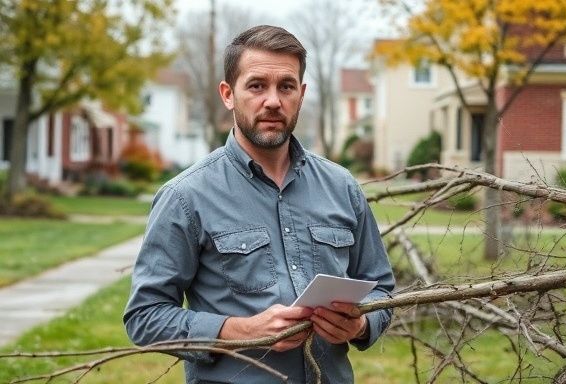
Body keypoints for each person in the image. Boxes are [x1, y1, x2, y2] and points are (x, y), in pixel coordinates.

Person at [123, 24, 395, 384]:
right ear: (228, 94)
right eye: (256, 86)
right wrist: (238, 330)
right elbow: (145, 316)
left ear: (301, 93)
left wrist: (360, 325)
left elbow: (382, 289)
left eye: (286, 86)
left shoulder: (341, 186)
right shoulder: (186, 196)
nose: (272, 101)